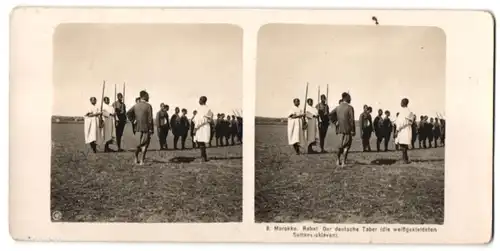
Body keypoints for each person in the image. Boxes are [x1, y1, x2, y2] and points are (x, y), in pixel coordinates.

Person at [126, 91, 154, 165]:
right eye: (147, 96)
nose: (148, 97)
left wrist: (133, 121)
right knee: (144, 145)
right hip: (146, 128)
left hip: (137, 128)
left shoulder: (136, 105)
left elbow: (128, 113)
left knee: (137, 145)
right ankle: (142, 161)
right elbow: (150, 119)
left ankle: (136, 158)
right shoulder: (148, 106)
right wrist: (151, 129)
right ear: (144, 96)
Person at [329, 92, 355, 167]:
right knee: (346, 146)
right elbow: (351, 120)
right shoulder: (350, 108)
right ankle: (343, 162)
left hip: (339, 130)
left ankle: (338, 161)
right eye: (349, 98)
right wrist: (353, 130)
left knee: (339, 146)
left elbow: (330, 115)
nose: (350, 99)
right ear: (346, 98)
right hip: (347, 130)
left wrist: (335, 122)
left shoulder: (338, 107)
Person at [193, 96, 214, 162]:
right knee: (199, 141)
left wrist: (196, 127)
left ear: (203, 101)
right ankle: (203, 156)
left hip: (202, 127)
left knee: (201, 141)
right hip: (200, 126)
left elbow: (206, 119)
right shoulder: (200, 108)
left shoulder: (206, 109)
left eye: (200, 100)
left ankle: (203, 156)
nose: (199, 101)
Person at [394, 98, 414, 164]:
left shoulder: (405, 112)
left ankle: (405, 159)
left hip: (403, 129)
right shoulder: (408, 111)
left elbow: (402, 122)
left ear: (403, 103)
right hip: (404, 129)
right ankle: (405, 158)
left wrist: (397, 130)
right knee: (403, 144)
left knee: (403, 144)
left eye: (401, 102)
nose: (400, 103)